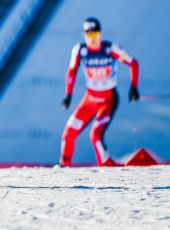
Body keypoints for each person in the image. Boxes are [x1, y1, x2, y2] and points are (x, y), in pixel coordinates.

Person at [60, 17, 140, 167]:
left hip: (108, 100)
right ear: (84, 36)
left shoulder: (110, 49)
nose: (92, 39)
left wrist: (133, 87)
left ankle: (106, 166)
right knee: (68, 133)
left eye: (95, 35)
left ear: (100, 34)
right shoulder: (80, 51)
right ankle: (64, 166)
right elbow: (71, 72)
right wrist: (68, 95)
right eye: (89, 35)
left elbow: (133, 63)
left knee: (95, 135)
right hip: (89, 100)